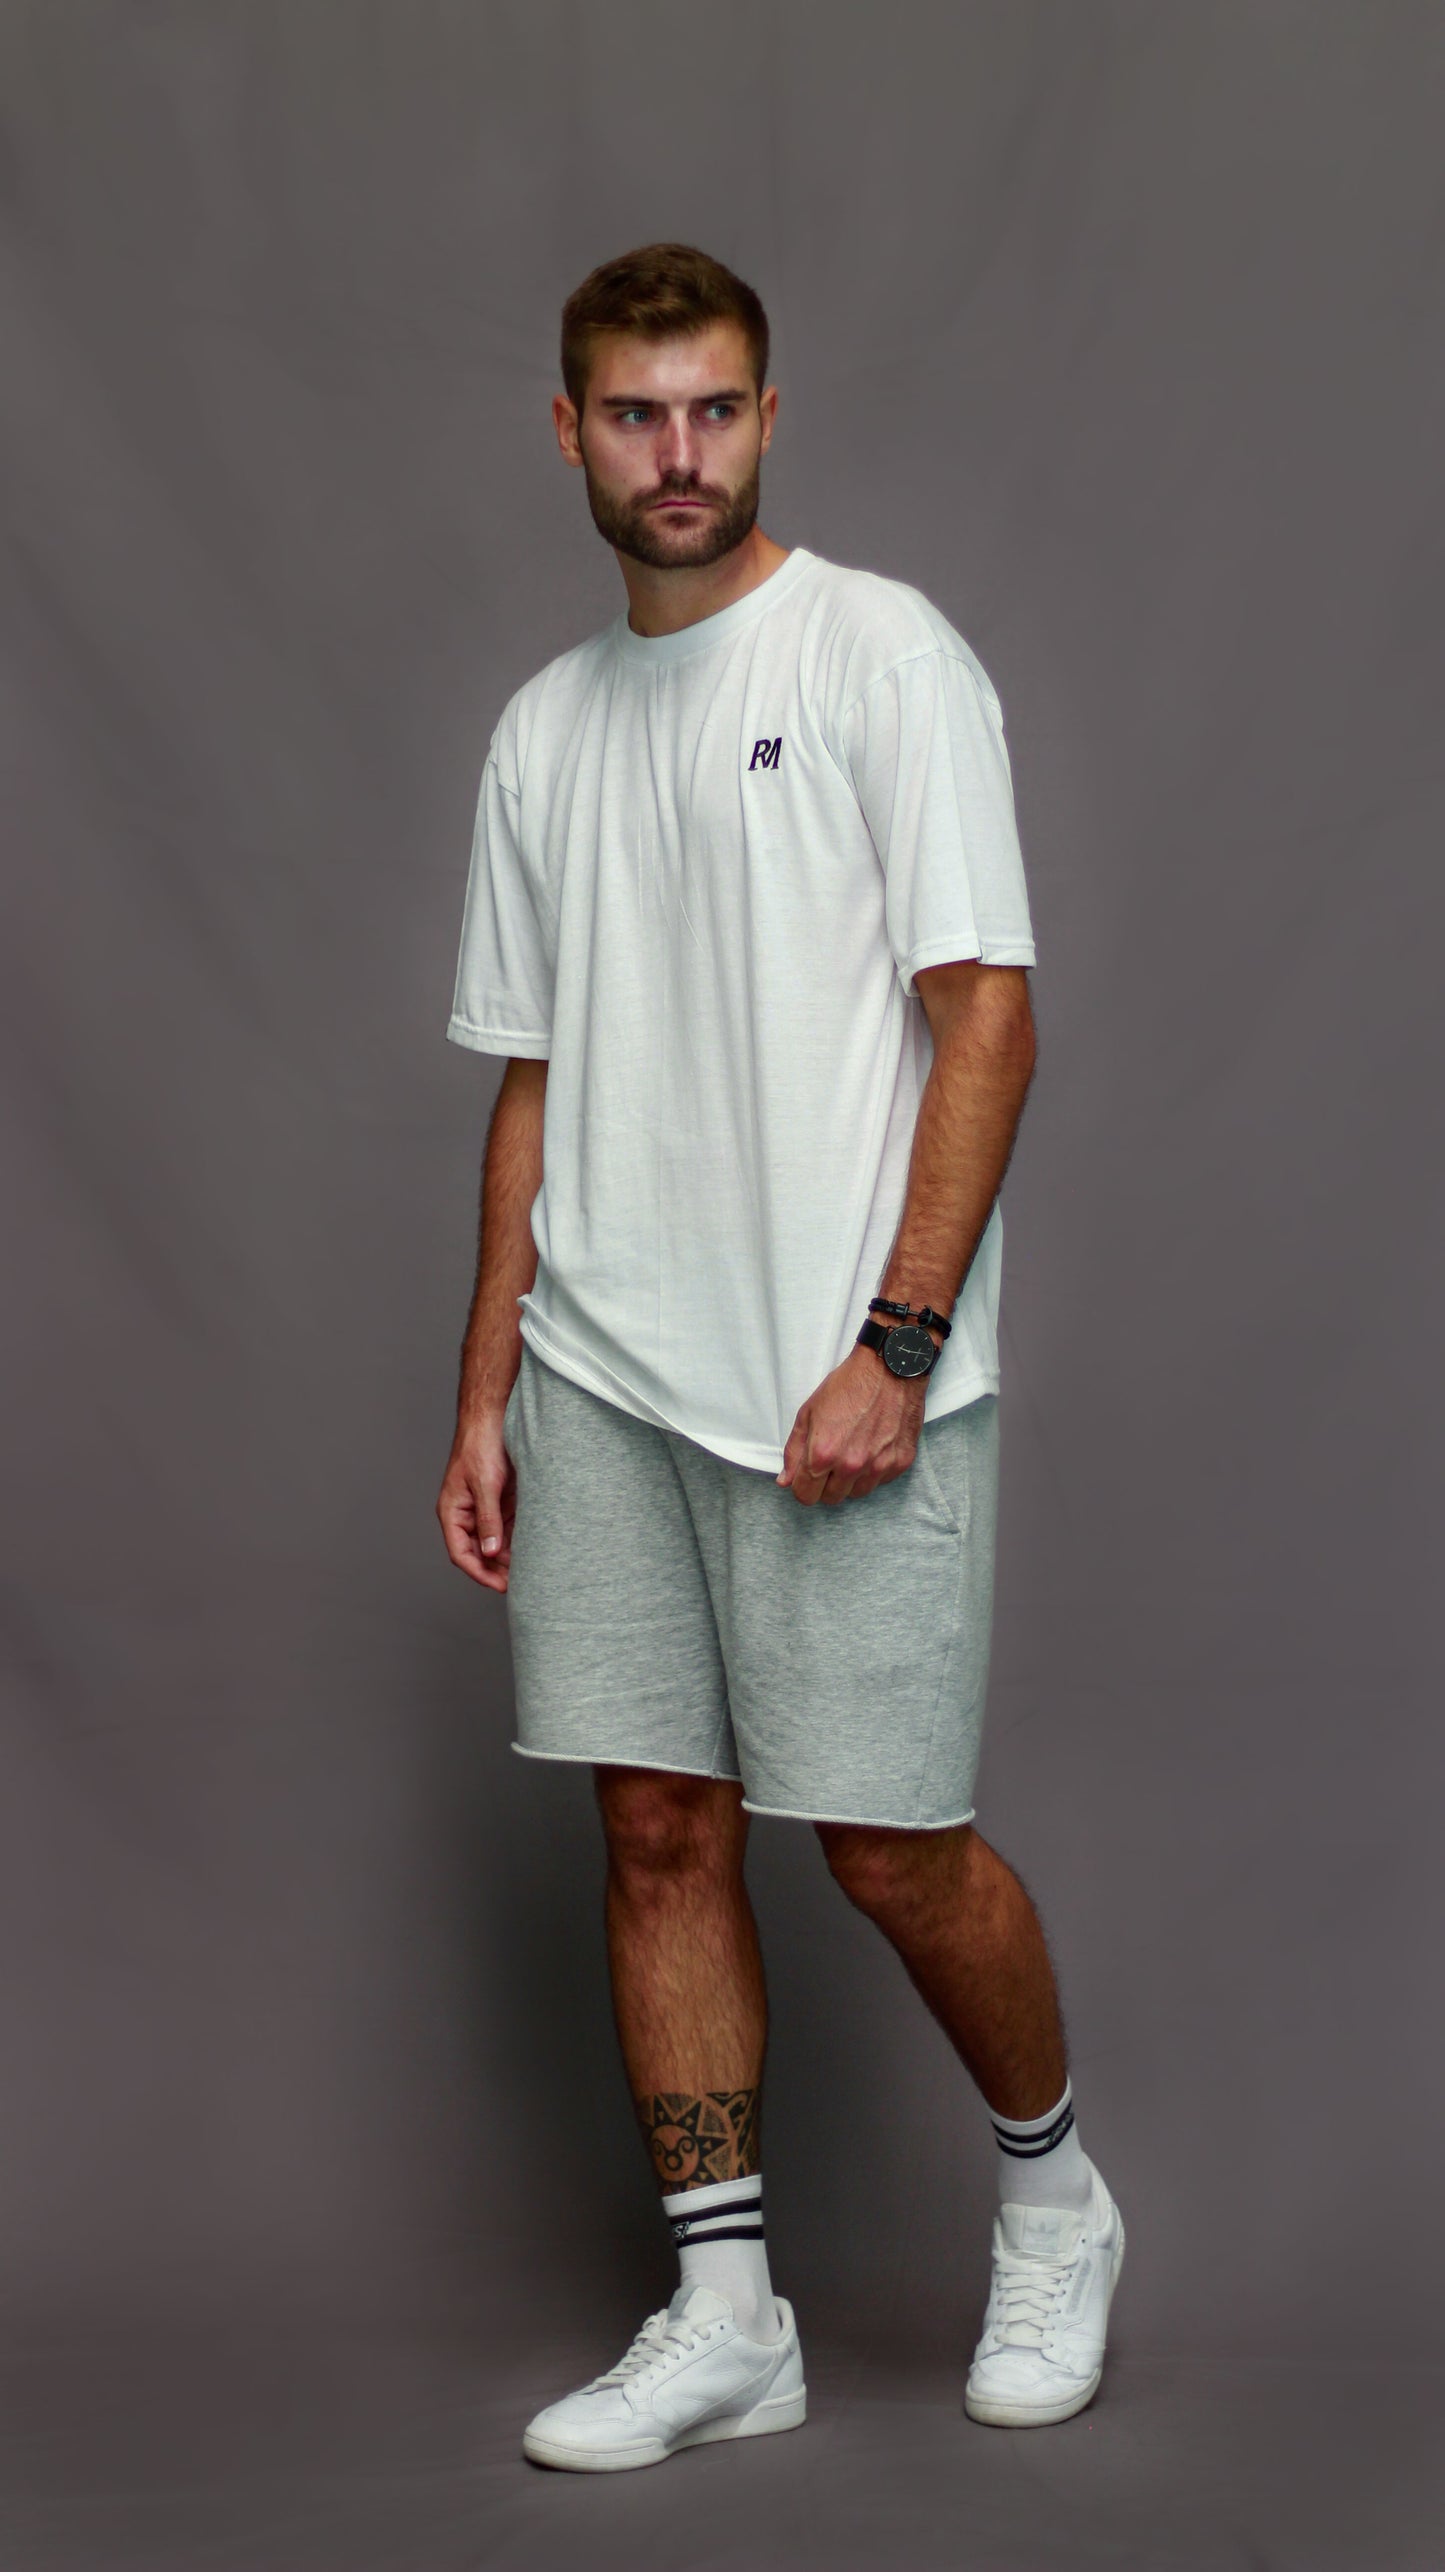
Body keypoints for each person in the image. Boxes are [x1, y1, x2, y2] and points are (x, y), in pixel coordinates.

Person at [437, 241, 1123, 2475]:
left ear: (767, 413)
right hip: (602, 1376)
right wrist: (483, 1391)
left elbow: (986, 1014)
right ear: (569, 431)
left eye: (716, 407)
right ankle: (728, 2312)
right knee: (654, 1828)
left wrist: (896, 1343)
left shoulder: (876, 653)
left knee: (891, 1849)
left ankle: (1057, 2202)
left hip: (841, 1379)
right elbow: (532, 1079)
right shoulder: (543, 731)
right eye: (638, 414)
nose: (680, 453)